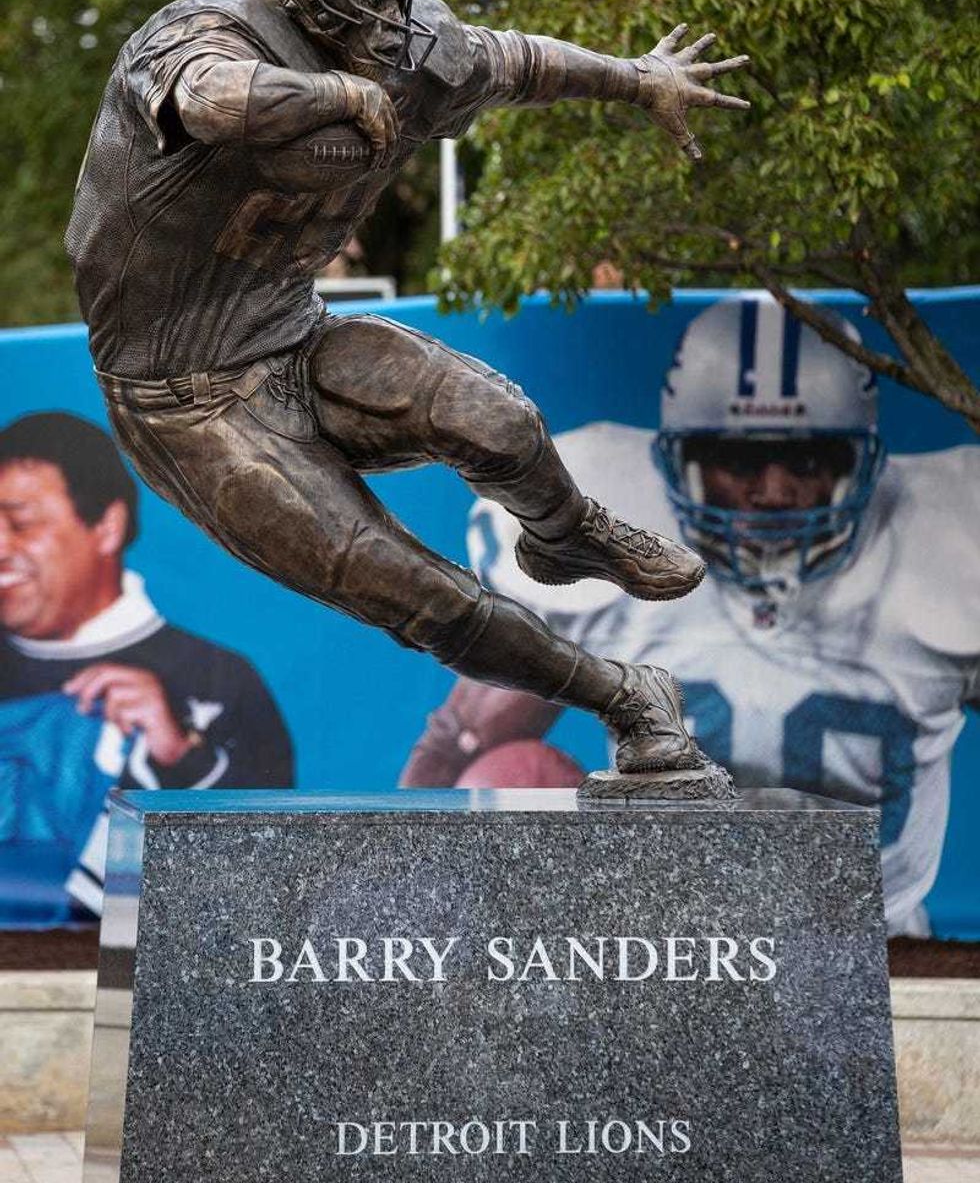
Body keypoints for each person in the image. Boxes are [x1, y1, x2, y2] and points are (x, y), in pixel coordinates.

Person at [66, 0, 751, 785]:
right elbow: (210, 99)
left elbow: (518, 63)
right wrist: (335, 98)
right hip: (182, 398)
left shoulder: (412, 50)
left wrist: (637, 79)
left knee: (493, 419)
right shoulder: (200, 35)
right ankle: (630, 698)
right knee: (408, 585)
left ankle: (564, 532)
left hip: (291, 337)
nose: (395, 14)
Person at [401, 297, 980, 936]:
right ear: (681, 461)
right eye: (738, 461)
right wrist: (408, 910)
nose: (774, 490)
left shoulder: (948, 539)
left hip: (879, 939)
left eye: (809, 461)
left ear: (861, 464)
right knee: (507, 778)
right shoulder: (611, 538)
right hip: (668, 938)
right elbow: (464, 739)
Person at [0, 412, 293, 926]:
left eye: (21, 524)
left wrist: (181, 756)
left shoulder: (217, 680)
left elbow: (274, 877)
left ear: (106, 527)